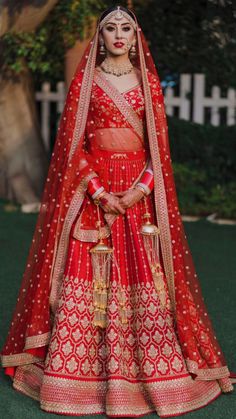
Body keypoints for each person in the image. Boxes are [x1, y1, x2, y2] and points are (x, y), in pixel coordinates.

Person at [1, 5, 235, 417]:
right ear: (101, 36)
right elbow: (75, 150)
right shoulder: (85, 83)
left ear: (136, 34)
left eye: (126, 28)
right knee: (87, 278)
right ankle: (76, 378)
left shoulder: (148, 84)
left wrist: (135, 192)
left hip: (139, 200)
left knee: (146, 278)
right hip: (94, 196)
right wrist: (99, 193)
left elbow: (158, 153)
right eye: (110, 28)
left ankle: (150, 373)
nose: (119, 35)